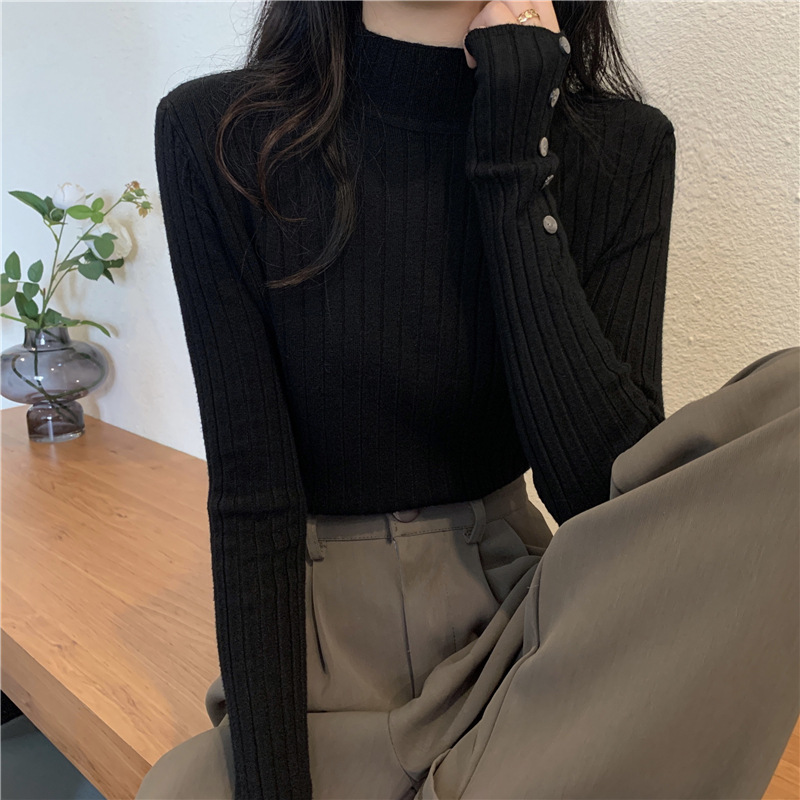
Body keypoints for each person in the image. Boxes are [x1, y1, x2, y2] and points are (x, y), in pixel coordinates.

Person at [138, 0, 800, 798]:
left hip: (520, 644)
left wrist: (515, 167)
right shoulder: (221, 134)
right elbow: (253, 498)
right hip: (326, 660)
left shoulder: (623, 146)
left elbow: (608, 502)